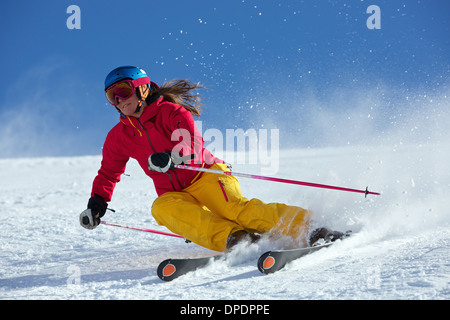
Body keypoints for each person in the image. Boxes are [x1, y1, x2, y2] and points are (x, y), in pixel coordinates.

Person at [79, 66, 344, 252]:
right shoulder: (119, 136)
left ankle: (314, 228)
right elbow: (109, 172)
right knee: (161, 207)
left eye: (123, 91)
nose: (118, 100)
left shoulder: (171, 112)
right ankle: (237, 240)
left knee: (235, 209)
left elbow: (191, 142)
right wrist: (97, 202)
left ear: (142, 89)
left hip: (204, 174)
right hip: (175, 192)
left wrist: (173, 157)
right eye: (111, 96)